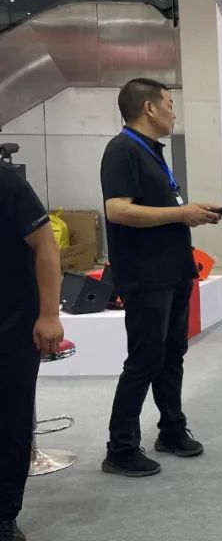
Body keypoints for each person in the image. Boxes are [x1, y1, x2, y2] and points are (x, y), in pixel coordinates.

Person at [99, 78, 222, 478]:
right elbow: (118, 210)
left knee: (172, 355)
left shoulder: (151, 151)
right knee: (144, 360)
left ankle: (171, 428)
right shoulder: (122, 150)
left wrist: (190, 211)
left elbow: (159, 207)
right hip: (145, 275)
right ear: (149, 108)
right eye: (170, 103)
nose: (174, 112)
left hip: (173, 271)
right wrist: (181, 213)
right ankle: (120, 448)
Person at [0, 165, 64, 541]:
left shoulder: (7, 182)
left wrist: (49, 314)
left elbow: (45, 246)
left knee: (10, 421)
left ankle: (4, 515)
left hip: (12, 322)